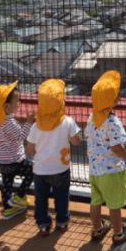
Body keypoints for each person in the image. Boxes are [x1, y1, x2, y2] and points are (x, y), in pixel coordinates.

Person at [85, 70, 126, 246]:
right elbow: (116, 148)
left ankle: (97, 229)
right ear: (114, 101)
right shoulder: (113, 122)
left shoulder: (92, 118)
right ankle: (118, 234)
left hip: (94, 171)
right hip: (111, 171)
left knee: (95, 201)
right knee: (114, 205)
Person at [25, 79, 81, 235]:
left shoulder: (36, 126)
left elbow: (29, 150)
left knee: (41, 200)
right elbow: (76, 142)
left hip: (40, 171)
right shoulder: (68, 122)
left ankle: (43, 224)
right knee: (62, 198)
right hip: (61, 170)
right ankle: (62, 222)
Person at [0, 81, 35, 220]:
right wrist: (29, 122)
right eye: (17, 101)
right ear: (7, 106)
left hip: (2, 162)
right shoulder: (8, 122)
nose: (19, 103)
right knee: (32, 170)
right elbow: (20, 136)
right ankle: (19, 196)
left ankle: (8, 209)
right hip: (15, 161)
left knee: (6, 184)